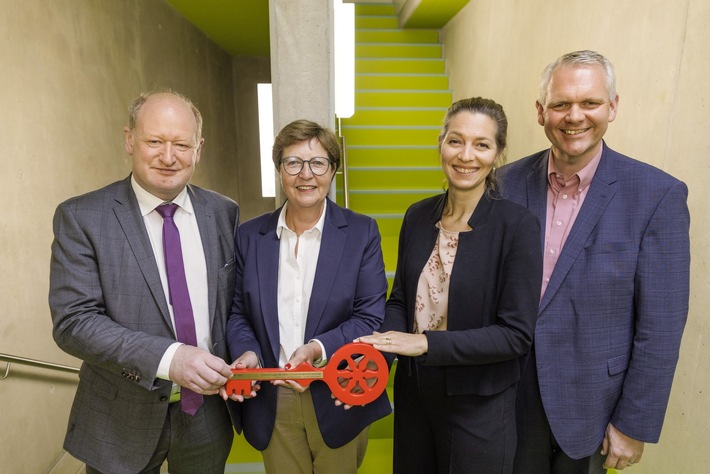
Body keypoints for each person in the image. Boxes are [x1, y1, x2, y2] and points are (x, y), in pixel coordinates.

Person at [498, 50, 691, 473]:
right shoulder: (503, 184)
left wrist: (634, 422)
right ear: (540, 112)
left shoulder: (657, 195)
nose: (575, 116)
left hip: (593, 407)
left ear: (613, 107)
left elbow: (661, 326)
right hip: (507, 398)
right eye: (561, 103)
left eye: (590, 103)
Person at [49, 91, 239, 474]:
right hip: (120, 416)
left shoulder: (224, 213)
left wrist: (246, 348)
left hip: (207, 415)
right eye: (155, 141)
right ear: (129, 140)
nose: (168, 157)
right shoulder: (82, 217)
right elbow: (74, 323)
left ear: (198, 149)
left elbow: (233, 305)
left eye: (181, 144)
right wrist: (172, 358)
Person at [357, 97, 543, 473]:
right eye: (455, 140)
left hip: (480, 406)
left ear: (498, 153)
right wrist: (378, 355)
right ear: (440, 144)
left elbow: (515, 335)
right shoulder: (417, 215)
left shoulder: (517, 226)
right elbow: (401, 301)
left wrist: (424, 342)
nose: (466, 155)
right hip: (415, 397)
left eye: (482, 144)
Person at [222, 119, 392, 474]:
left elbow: (369, 317)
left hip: (337, 388)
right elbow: (238, 312)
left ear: (333, 170)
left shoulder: (362, 232)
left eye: (318, 163)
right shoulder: (250, 236)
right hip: (273, 397)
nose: (306, 175)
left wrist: (315, 348)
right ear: (279, 169)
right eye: (293, 162)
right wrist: (248, 352)